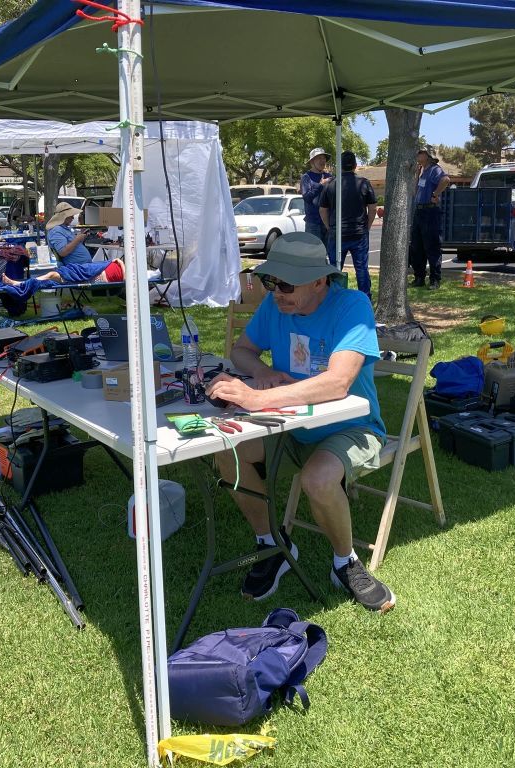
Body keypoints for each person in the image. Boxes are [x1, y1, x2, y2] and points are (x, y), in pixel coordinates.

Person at [206, 232, 396, 614]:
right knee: (227, 452)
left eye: (286, 284)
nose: (276, 292)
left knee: (318, 479)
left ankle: (345, 562)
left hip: (351, 427)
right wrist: (262, 372)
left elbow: (338, 382)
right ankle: (272, 545)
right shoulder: (276, 306)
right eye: (270, 281)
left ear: (319, 281)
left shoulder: (352, 305)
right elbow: (241, 351)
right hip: (291, 426)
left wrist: (258, 399)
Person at [318, 150, 377, 300]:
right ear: (355, 165)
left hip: (337, 233)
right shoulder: (364, 183)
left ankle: (333, 299)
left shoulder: (330, 184)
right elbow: (372, 209)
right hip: (359, 233)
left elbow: (322, 210)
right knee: (361, 269)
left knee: (334, 269)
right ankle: (365, 299)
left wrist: (329, 227)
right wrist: (367, 227)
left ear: (340, 166)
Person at [408, 147, 451, 289]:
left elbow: (445, 179)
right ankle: (419, 278)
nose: (417, 154)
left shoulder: (434, 169)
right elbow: (414, 192)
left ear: (428, 156)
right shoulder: (422, 171)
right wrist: (416, 175)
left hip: (430, 211)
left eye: (420, 152)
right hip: (419, 212)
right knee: (417, 247)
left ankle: (435, 280)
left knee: (432, 247)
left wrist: (435, 194)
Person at [46, 201, 95, 268]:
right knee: (107, 265)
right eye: (71, 215)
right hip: (77, 268)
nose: (73, 218)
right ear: (64, 217)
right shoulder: (56, 231)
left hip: (82, 266)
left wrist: (80, 237)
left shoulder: (64, 228)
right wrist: (77, 239)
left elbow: (71, 245)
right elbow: (63, 252)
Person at [300, 147, 332, 243]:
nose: (323, 161)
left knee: (329, 251)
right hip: (313, 223)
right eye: (319, 158)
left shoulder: (329, 177)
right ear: (312, 162)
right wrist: (320, 185)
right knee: (314, 251)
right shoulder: (306, 177)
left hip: (329, 222)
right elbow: (307, 198)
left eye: (324, 158)